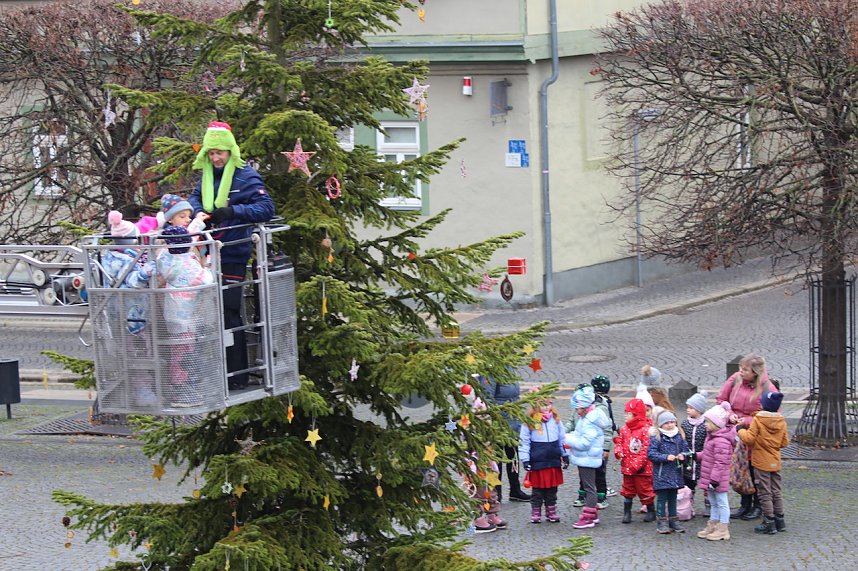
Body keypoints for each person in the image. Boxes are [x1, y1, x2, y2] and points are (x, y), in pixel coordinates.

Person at [188, 121, 275, 390]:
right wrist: (196, 211)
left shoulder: (245, 176)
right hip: (205, 253)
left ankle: (237, 376)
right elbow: (193, 198)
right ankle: (214, 371)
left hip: (233, 252)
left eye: (220, 153)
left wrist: (233, 212)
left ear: (230, 152)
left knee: (229, 312)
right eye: (211, 153)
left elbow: (266, 208)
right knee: (206, 314)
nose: (215, 158)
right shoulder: (206, 175)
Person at [156, 225, 214, 407]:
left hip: (172, 314)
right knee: (185, 354)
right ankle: (183, 392)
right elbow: (206, 279)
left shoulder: (165, 258)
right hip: (187, 317)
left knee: (177, 351)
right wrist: (210, 265)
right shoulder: (187, 265)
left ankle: (180, 389)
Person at [716, 352, 775, 520]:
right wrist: (730, 415)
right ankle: (745, 504)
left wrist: (747, 420)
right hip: (736, 433)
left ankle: (758, 505)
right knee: (741, 469)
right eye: (740, 369)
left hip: (756, 435)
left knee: (755, 470)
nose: (741, 372)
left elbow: (772, 414)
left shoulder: (767, 388)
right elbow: (721, 400)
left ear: (755, 372)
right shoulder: (735, 379)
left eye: (745, 370)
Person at [738, 390, 789, 535]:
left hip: (761, 461)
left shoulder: (758, 420)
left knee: (765, 492)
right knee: (776, 491)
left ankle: (769, 522)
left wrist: (740, 430)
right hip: (775, 461)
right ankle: (780, 521)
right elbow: (784, 442)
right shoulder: (781, 421)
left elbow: (749, 438)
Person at [474, 373, 530, 503]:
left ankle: (515, 490)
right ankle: (496, 492)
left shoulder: (510, 368)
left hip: (513, 422)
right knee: (497, 459)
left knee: (513, 457)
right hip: (498, 424)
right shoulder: (491, 372)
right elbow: (486, 399)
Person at [519, 393, 568, 524]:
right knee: (537, 489)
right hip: (537, 460)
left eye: (548, 404)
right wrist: (525, 459)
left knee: (552, 489)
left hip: (553, 459)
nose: (546, 408)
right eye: (543, 405)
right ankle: (536, 511)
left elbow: (562, 439)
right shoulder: (530, 421)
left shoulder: (556, 420)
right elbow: (524, 442)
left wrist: (565, 454)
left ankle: (551, 510)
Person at [566, 385, 611, 529]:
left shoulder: (589, 422)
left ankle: (588, 516)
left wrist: (567, 439)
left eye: (577, 408)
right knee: (590, 486)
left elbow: (584, 443)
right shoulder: (588, 418)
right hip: (587, 457)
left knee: (589, 487)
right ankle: (592, 514)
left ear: (584, 407)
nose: (576, 411)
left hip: (587, 457)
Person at [569, 375, 616, 509]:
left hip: (596, 450)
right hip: (584, 453)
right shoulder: (579, 412)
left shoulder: (599, 410)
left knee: (599, 473)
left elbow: (608, 429)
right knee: (584, 475)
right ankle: (582, 495)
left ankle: (600, 497)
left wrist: (606, 448)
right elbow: (572, 423)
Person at [697, 401, 737, 541]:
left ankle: (723, 528)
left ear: (716, 424)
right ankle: (713, 524)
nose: (705, 424)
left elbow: (721, 463)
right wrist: (695, 455)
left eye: (707, 422)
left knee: (721, 502)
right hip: (711, 477)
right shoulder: (712, 438)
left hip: (717, 479)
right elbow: (708, 455)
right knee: (713, 502)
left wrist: (714, 480)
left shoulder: (721, 441)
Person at [647, 409, 690, 533]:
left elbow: (686, 450)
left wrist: (683, 456)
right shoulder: (657, 437)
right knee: (662, 498)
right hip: (662, 474)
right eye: (667, 423)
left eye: (672, 422)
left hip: (675, 473)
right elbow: (651, 454)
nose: (670, 425)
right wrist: (665, 457)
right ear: (661, 424)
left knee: (673, 497)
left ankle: (673, 520)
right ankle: (661, 521)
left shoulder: (679, 436)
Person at [614, 398, 656, 524]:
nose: (625, 416)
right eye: (625, 413)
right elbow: (619, 441)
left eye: (628, 414)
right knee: (627, 490)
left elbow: (646, 450)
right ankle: (627, 513)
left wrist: (636, 465)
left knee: (645, 490)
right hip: (627, 467)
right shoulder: (625, 429)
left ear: (636, 416)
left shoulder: (646, 430)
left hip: (642, 469)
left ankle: (651, 511)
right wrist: (618, 451)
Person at [682, 392, 710, 516]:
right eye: (687, 407)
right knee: (689, 485)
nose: (688, 410)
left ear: (699, 410)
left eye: (691, 408)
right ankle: (688, 506)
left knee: (706, 485)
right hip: (688, 461)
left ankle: (709, 507)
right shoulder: (684, 424)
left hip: (703, 461)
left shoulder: (706, 425)